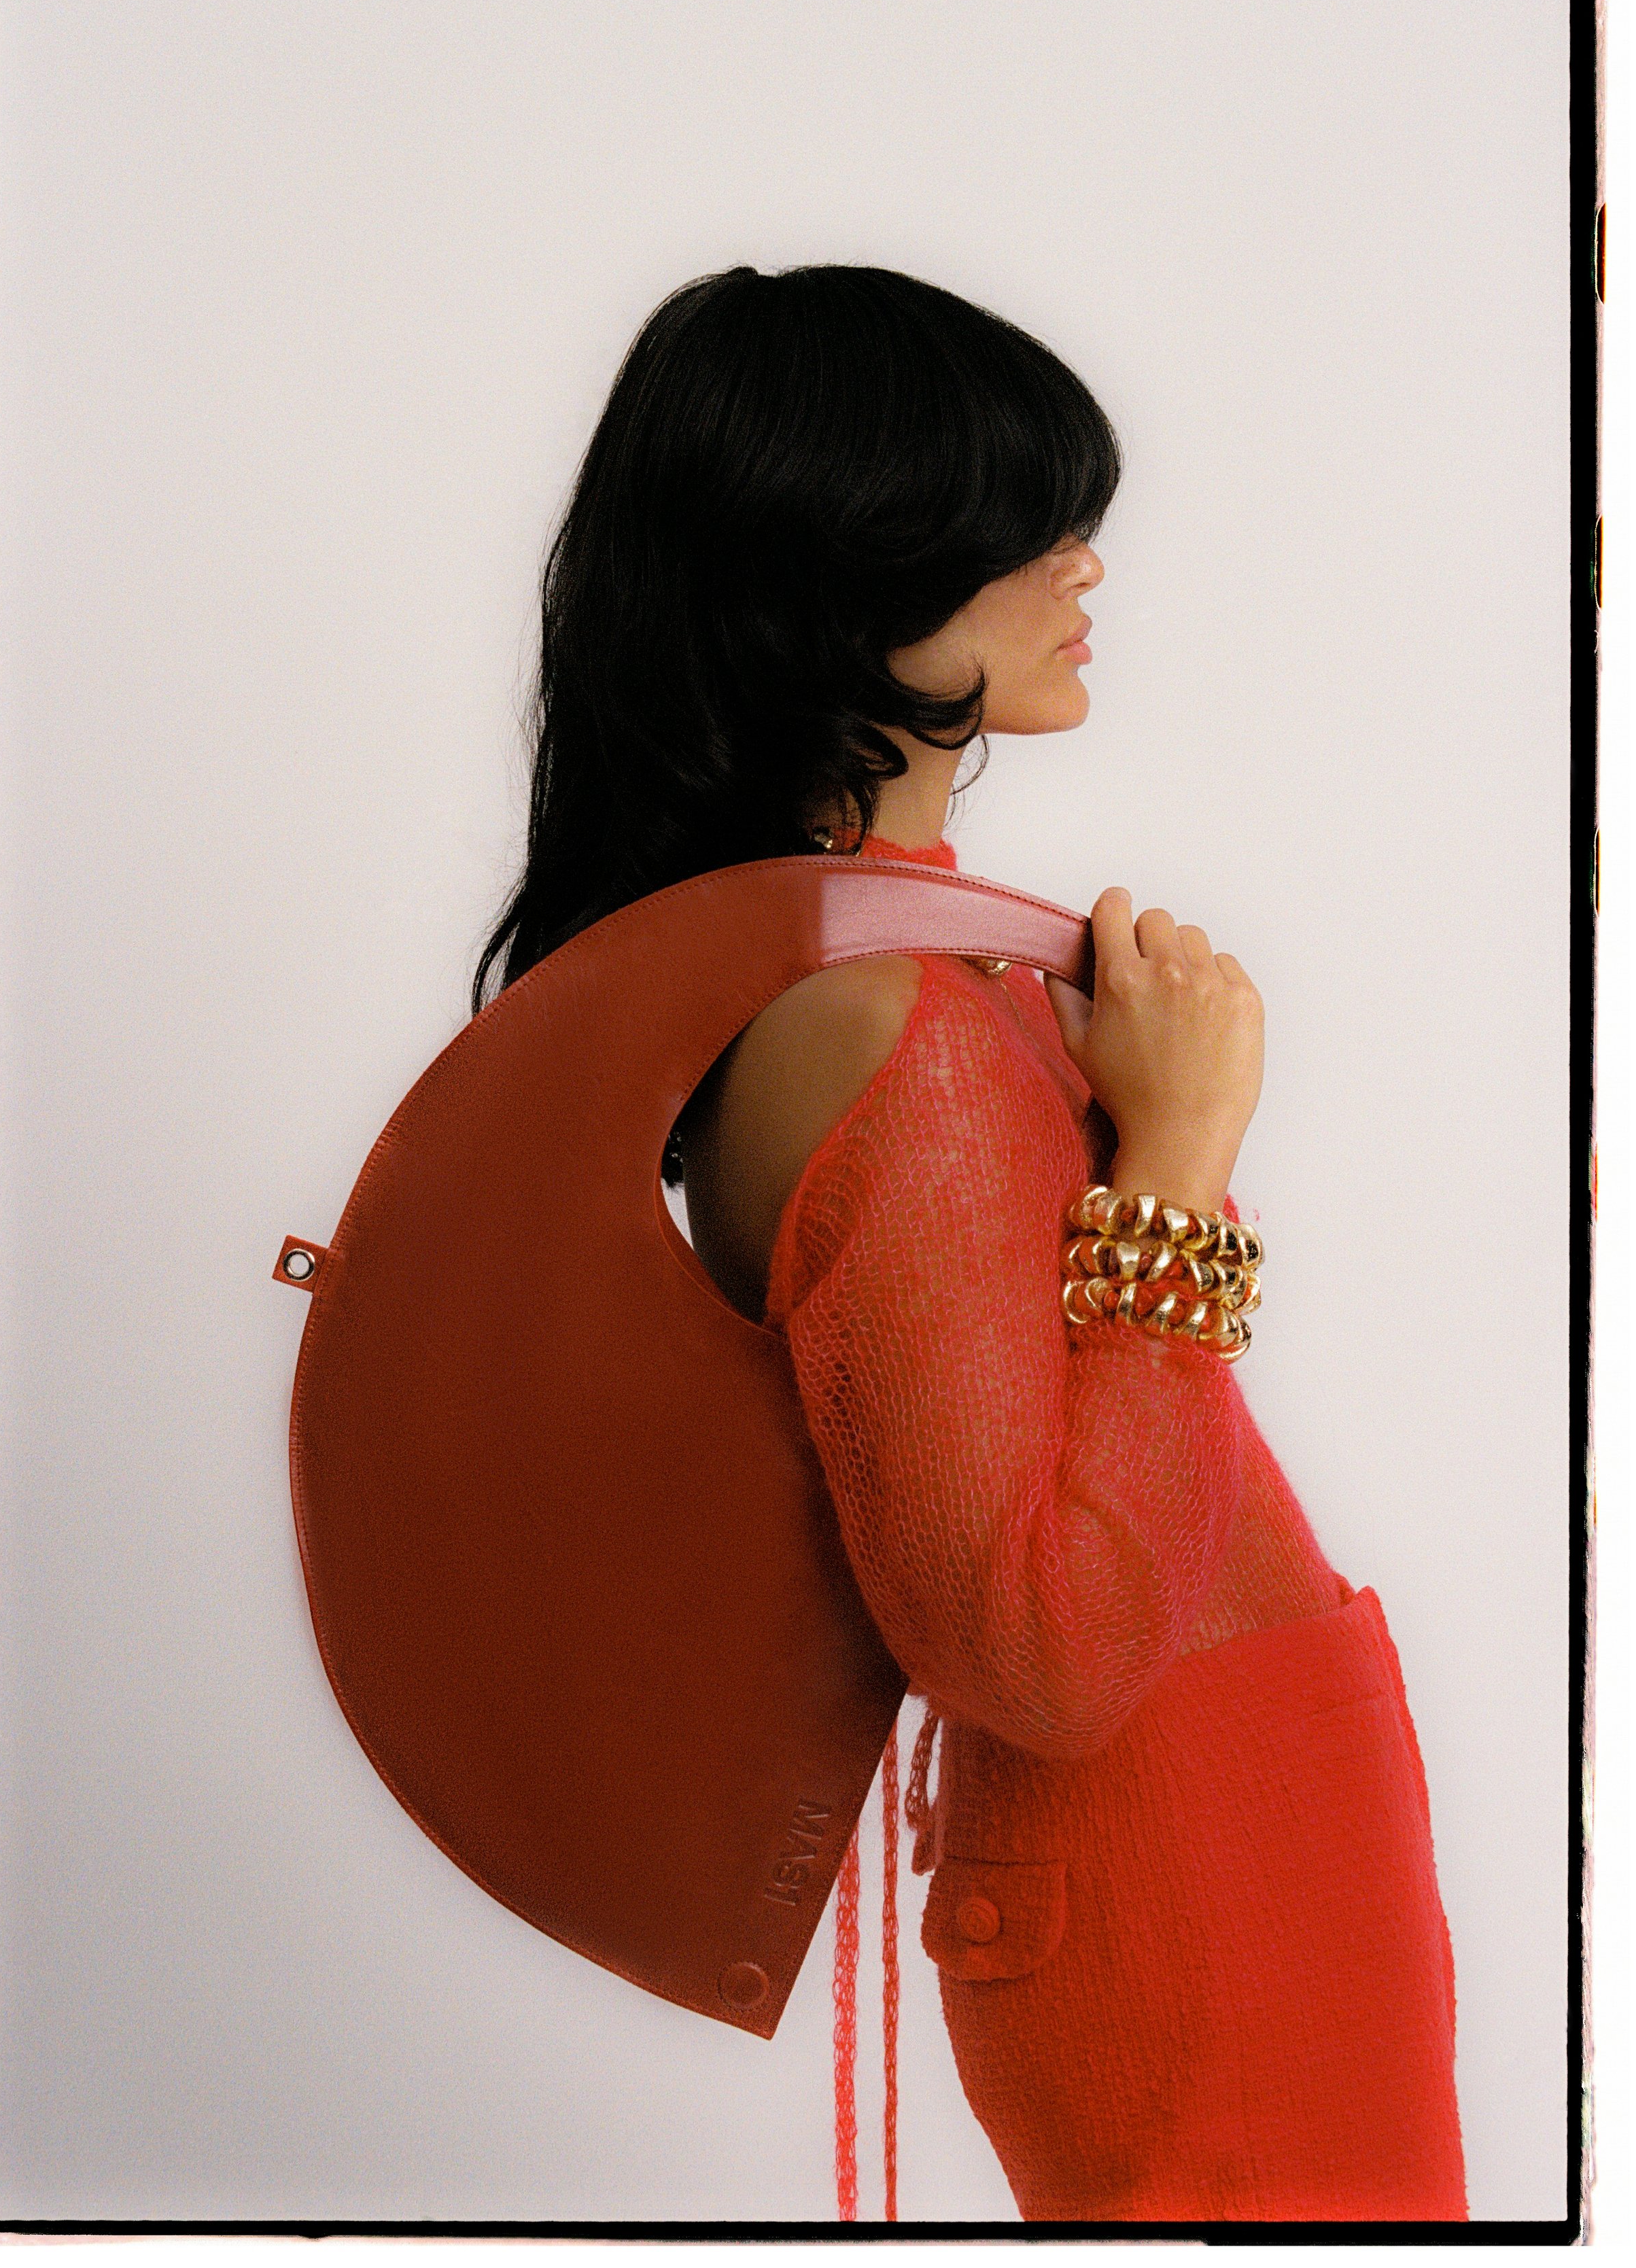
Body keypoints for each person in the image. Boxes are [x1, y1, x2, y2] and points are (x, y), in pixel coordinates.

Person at [473, 262, 1467, 2225]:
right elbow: (1038, 1649)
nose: (1080, 560)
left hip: (1243, 1834)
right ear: (834, 572)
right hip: (1186, 1882)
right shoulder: (878, 1020)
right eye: (1015, 514)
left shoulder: (924, 964)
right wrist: (1175, 1155)